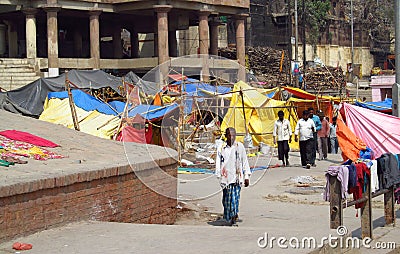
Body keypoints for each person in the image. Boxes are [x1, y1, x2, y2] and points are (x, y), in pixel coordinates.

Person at [215, 127, 251, 226]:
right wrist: (218, 174)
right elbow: (218, 162)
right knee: (226, 199)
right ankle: (229, 214)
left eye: (233, 135)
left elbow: (244, 161)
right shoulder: (221, 148)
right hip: (225, 178)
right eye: (229, 135)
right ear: (226, 136)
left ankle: (234, 216)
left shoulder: (240, 147)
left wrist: (246, 176)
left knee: (235, 198)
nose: (231, 137)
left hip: (236, 177)